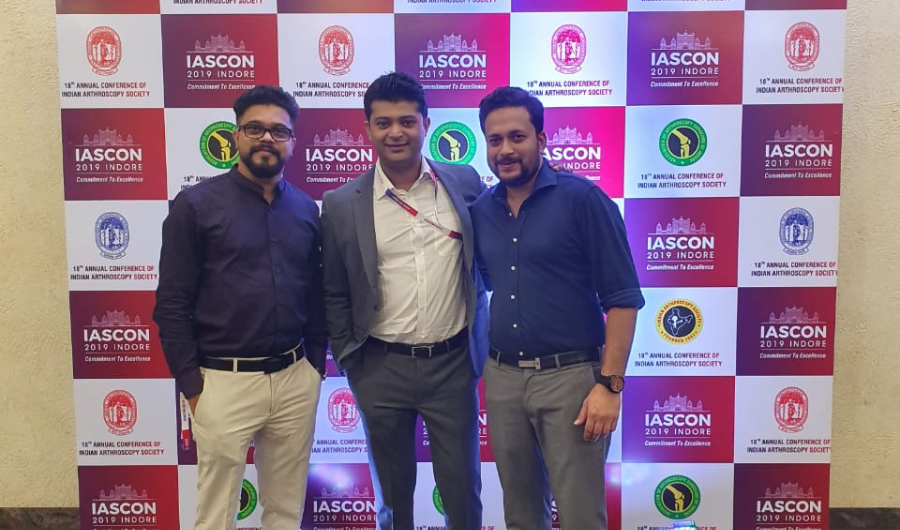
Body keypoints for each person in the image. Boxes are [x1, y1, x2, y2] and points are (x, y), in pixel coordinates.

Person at [153, 85, 326, 530]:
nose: (267, 138)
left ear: (293, 142)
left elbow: (315, 294)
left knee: (285, 510)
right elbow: (171, 303)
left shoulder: (306, 209)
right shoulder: (194, 206)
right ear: (235, 136)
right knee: (215, 516)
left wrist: (314, 366)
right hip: (222, 383)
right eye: (254, 128)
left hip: (294, 379)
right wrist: (193, 388)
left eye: (278, 131)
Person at [471, 86, 645, 530]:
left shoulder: (583, 199)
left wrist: (609, 386)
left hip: (572, 381)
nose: (506, 150)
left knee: (580, 515)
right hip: (503, 380)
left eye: (517, 137)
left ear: (542, 140)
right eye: (495, 140)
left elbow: (623, 299)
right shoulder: (482, 210)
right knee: (521, 516)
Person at [320, 71, 487, 530]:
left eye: (407, 121)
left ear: (426, 124)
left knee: (462, 493)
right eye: (384, 122)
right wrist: (351, 359)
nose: (396, 132)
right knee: (393, 500)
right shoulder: (341, 203)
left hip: (453, 364)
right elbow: (333, 289)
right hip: (379, 366)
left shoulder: (464, 183)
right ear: (367, 128)